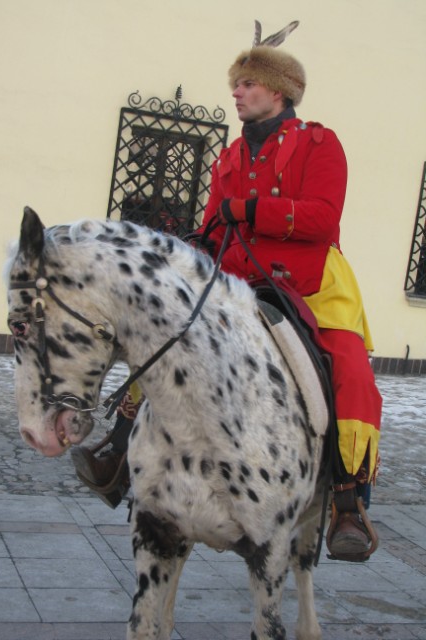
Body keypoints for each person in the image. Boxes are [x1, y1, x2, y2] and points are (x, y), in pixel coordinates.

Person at [72, 22, 382, 561]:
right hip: (237, 277)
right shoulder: (231, 156)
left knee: (350, 366)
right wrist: (196, 240)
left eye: (246, 84)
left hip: (309, 282)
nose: (235, 93)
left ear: (277, 90)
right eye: (235, 84)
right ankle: (118, 452)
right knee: (165, 335)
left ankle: (348, 500)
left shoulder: (320, 143)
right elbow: (219, 223)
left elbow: (322, 218)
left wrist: (253, 210)